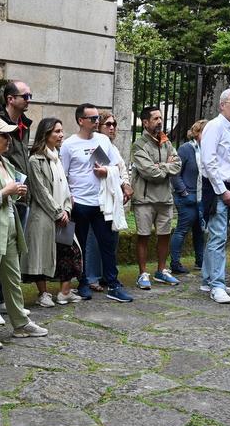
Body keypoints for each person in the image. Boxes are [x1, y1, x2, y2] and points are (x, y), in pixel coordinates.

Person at [0, 117, 49, 349]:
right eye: (3, 135)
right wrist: (6, 192)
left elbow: (6, 197)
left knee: (12, 279)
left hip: (10, 230)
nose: (8, 139)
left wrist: (14, 193)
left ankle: (20, 322)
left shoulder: (5, 163)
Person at [62, 104, 133, 303]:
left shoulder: (102, 140)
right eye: (92, 118)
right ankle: (83, 282)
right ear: (80, 121)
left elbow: (112, 165)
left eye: (97, 118)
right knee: (80, 246)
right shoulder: (69, 145)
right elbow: (63, 175)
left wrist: (109, 174)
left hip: (101, 202)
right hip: (80, 202)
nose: (96, 122)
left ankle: (113, 283)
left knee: (108, 244)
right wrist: (69, 200)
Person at [0, 81, 34, 325]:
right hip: (3, 192)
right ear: (9, 98)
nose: (29, 99)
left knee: (13, 251)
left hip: (20, 192)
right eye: (24, 95)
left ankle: (7, 299)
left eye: (30, 95)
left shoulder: (24, 124)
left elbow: (21, 158)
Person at [22, 117, 82, 306]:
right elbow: (40, 191)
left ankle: (64, 292)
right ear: (46, 134)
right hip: (43, 215)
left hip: (61, 214)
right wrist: (57, 212)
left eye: (61, 131)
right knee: (41, 255)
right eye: (56, 131)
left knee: (70, 252)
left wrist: (66, 209)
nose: (61, 135)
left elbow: (65, 188)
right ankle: (44, 293)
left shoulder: (58, 158)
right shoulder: (35, 160)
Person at [199, 89, 230, 303]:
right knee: (219, 236)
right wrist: (222, 190)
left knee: (217, 236)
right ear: (222, 105)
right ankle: (216, 285)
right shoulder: (215, 127)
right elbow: (209, 162)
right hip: (219, 188)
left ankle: (209, 279)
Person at [129, 106, 182, 289]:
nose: (160, 121)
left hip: (165, 198)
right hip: (145, 200)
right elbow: (150, 172)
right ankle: (143, 273)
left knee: (165, 235)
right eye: (156, 118)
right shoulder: (138, 145)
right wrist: (164, 167)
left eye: (161, 118)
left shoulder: (166, 142)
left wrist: (162, 166)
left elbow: (177, 165)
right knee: (143, 236)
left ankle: (161, 270)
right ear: (145, 122)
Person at [169, 119, 206, 274]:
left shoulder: (207, 150)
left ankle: (200, 261)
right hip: (187, 197)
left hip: (202, 197)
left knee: (200, 230)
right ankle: (175, 263)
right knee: (182, 230)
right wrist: (184, 192)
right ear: (197, 133)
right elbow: (175, 173)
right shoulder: (185, 149)